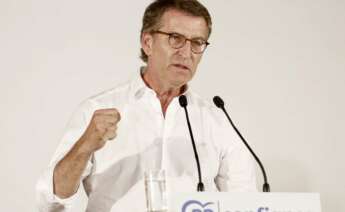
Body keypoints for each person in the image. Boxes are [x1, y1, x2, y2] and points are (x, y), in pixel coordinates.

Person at [36, 0, 257, 211]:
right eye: (175, 38)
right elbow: (51, 202)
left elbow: (244, 202)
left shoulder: (217, 121)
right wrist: (85, 146)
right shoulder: (97, 110)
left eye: (197, 42)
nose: (187, 52)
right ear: (147, 42)